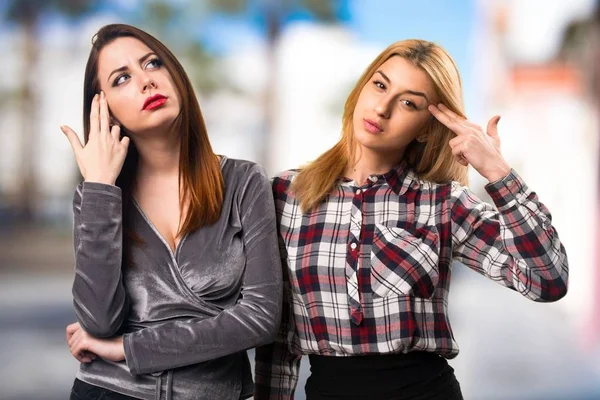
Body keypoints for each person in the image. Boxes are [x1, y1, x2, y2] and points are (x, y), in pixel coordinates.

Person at [254, 39, 569, 400]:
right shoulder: (285, 195)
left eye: (408, 103)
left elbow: (548, 280)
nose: (383, 108)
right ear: (362, 88)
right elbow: (275, 339)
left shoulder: (442, 203)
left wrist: (497, 171)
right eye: (380, 85)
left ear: (424, 127)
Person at [61, 23, 282, 400]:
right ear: (105, 110)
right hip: (108, 391)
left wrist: (128, 349)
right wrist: (100, 186)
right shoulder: (97, 196)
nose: (146, 81)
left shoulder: (244, 182)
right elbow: (99, 321)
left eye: (153, 63)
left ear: (175, 75)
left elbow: (260, 318)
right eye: (122, 78)